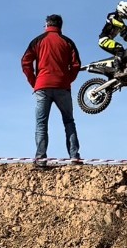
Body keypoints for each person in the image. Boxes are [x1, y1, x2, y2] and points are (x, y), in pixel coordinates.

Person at [21, 14, 82, 169]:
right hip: (63, 87)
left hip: (42, 86)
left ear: (47, 25)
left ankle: (40, 158)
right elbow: (76, 65)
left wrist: (34, 82)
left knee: (41, 123)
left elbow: (25, 62)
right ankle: (74, 157)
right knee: (69, 121)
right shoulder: (68, 42)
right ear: (60, 26)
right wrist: (67, 80)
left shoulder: (37, 41)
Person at [98, 1, 127, 73]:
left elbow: (124, 36)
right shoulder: (113, 15)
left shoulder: (122, 23)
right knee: (119, 48)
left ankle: (119, 72)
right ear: (123, 8)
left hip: (109, 40)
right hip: (104, 40)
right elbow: (112, 21)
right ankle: (117, 70)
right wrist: (125, 27)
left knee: (125, 55)